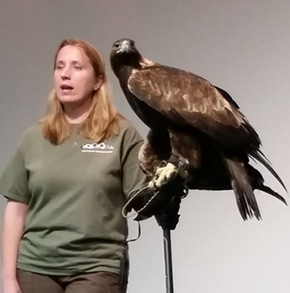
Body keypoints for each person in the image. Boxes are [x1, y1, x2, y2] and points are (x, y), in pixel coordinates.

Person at [0, 38, 149, 293]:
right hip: (35, 265)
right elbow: (15, 210)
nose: (65, 74)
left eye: (77, 67)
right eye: (60, 66)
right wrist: (7, 279)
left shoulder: (121, 134)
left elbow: (144, 199)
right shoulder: (35, 137)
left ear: (98, 81)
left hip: (96, 266)